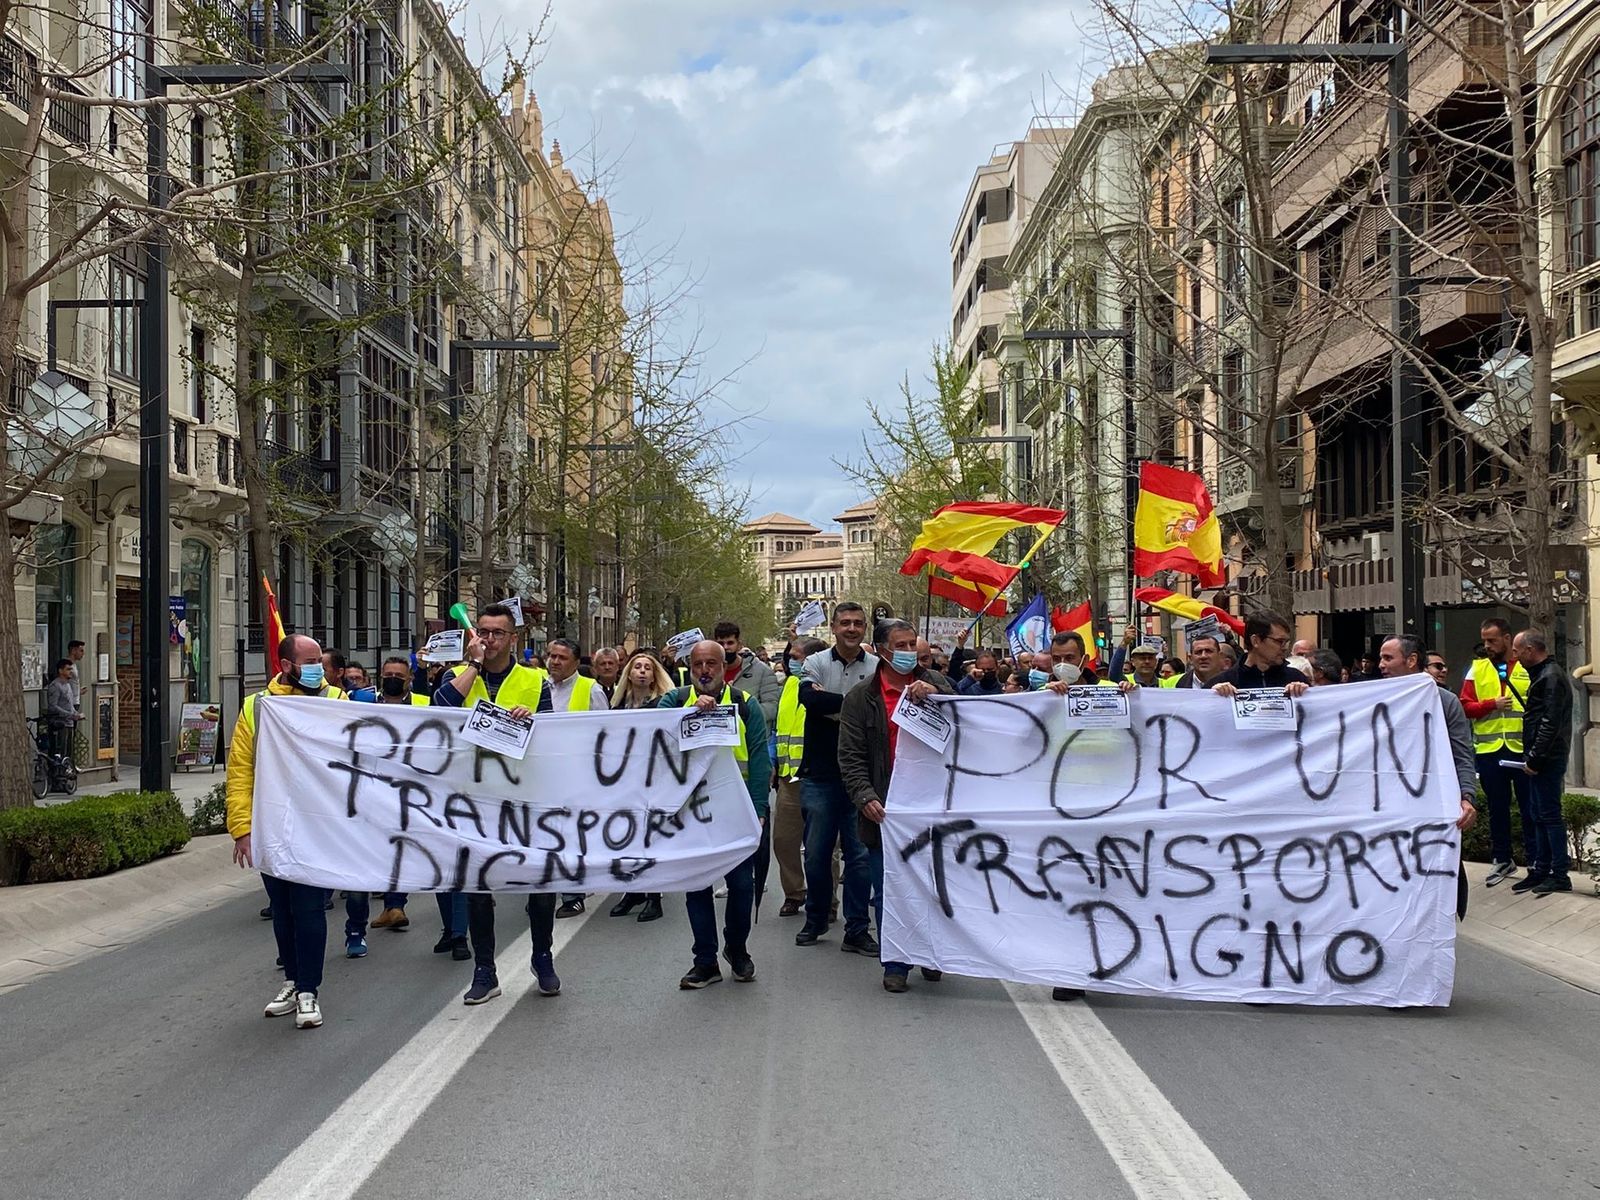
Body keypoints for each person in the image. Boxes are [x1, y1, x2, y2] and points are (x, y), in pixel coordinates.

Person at [431, 604, 561, 1005]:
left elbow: (553, 737)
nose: (488, 639)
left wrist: (531, 720)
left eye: (497, 633)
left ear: (513, 639)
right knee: (477, 885)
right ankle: (485, 969)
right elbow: (440, 711)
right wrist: (472, 664)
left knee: (540, 880)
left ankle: (543, 955)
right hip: (472, 797)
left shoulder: (535, 680)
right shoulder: (458, 676)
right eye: (482, 632)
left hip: (524, 795)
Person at [225, 634, 348, 1029]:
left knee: (310, 907)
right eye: (310, 660)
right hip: (272, 826)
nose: (319, 667)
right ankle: (293, 981)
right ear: (286, 665)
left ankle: (310, 990)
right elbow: (240, 770)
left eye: (320, 660)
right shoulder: (257, 707)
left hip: (318, 827)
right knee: (283, 910)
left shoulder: (337, 702)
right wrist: (242, 828)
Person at [837, 619, 954, 993]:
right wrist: (864, 796)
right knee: (890, 888)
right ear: (883, 650)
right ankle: (897, 962)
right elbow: (850, 755)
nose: (907, 652)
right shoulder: (861, 698)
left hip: (933, 807)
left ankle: (931, 954)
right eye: (899, 645)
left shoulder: (937, 687)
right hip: (886, 812)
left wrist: (934, 689)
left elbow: (968, 717)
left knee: (935, 884)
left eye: (911, 645)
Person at [658, 640, 770, 988]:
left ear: (725, 668)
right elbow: (657, 744)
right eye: (698, 665)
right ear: (689, 669)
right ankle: (704, 961)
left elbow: (759, 760)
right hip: (693, 814)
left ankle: (737, 949)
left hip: (736, 812)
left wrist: (759, 810)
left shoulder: (743, 705)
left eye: (712, 664)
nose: (704, 671)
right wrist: (688, 717)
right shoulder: (674, 702)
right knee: (698, 888)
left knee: (741, 887)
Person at [795, 602, 877, 951]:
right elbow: (809, 702)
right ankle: (816, 918)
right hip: (821, 772)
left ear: (865, 628)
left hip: (861, 775)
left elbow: (881, 707)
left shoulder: (877, 665)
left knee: (859, 857)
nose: (851, 628)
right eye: (845, 623)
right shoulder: (814, 663)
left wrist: (835, 705)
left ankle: (857, 928)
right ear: (833, 627)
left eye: (858, 623)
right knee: (816, 853)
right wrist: (857, 707)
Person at [360, 658, 458, 945]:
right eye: (387, 674)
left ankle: (401, 906)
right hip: (376, 787)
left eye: (398, 675)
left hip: (414, 788)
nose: (392, 678)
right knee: (386, 850)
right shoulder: (362, 702)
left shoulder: (424, 703)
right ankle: (393, 905)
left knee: (406, 848)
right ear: (379, 675)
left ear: (409, 679)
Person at [1460, 617, 1533, 888]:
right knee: (1497, 808)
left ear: (1506, 638)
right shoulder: (1477, 668)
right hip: (1490, 750)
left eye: (1492, 640)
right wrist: (1491, 704)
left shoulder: (1525, 666)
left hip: (1521, 749)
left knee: (1530, 808)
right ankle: (1502, 859)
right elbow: (1464, 706)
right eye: (1485, 640)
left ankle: (1535, 861)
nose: (1487, 645)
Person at [607, 651, 676, 923]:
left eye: (648, 668)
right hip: (625, 780)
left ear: (655, 675)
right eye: (638, 667)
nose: (643, 671)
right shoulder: (618, 707)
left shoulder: (662, 705)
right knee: (627, 835)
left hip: (653, 779)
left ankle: (654, 896)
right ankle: (633, 890)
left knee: (650, 837)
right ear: (629, 673)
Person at [1510, 630, 1573, 896]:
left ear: (1530, 649)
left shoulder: (1551, 677)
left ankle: (1558, 874)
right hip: (1541, 757)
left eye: (1517, 650)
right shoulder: (1545, 675)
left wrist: (1535, 758)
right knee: (1538, 814)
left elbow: (1549, 723)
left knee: (1548, 815)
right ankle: (1541, 870)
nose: (1514, 656)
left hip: (1547, 758)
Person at [772, 637, 826, 918]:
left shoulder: (825, 684)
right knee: (783, 840)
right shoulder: (790, 685)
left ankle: (826, 902)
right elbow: (780, 730)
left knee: (823, 846)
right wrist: (775, 762)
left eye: (795, 656)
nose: (789, 661)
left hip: (818, 777)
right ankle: (794, 893)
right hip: (789, 779)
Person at [1211, 611, 1309, 695]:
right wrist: (1213, 696)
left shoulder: (1296, 679)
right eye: (1279, 641)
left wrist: (1304, 696)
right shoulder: (1224, 682)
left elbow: (1314, 714)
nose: (1285, 648)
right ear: (1256, 641)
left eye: (1286, 642)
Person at [715, 620, 782, 724]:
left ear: (739, 645)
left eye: (730, 643)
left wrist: (740, 715)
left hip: (750, 736)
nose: (725, 647)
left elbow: (771, 708)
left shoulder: (763, 671)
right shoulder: (708, 672)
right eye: (721, 643)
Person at [44, 658, 81, 762]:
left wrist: (75, 713)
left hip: (69, 723)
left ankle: (66, 770)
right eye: (68, 669)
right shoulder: (55, 686)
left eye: (71, 669)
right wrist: (69, 714)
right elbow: (53, 706)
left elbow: (69, 704)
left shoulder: (68, 685)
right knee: (60, 751)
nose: (71, 672)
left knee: (68, 752)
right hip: (60, 723)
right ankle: (58, 773)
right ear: (60, 671)